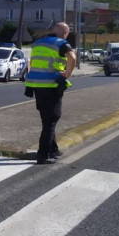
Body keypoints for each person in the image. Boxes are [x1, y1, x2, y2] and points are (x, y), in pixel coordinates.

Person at [24, 22, 76, 165]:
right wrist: (67, 74)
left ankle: (54, 149)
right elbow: (73, 58)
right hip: (51, 84)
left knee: (46, 119)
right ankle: (43, 155)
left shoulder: (38, 43)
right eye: (67, 33)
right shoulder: (61, 43)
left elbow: (32, 62)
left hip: (35, 85)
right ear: (64, 33)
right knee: (51, 120)